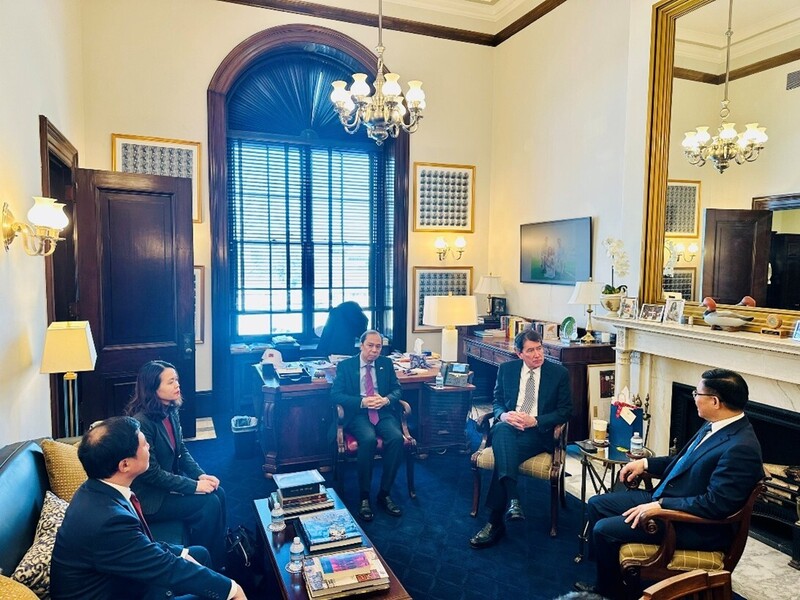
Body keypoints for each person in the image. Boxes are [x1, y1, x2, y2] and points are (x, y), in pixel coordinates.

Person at [574, 368, 764, 599]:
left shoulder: (741, 447)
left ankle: (613, 594)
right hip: (671, 500)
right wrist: (644, 464)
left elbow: (716, 505)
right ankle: (608, 580)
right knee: (596, 504)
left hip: (696, 526)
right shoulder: (717, 424)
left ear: (715, 401)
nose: (694, 397)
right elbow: (683, 462)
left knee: (604, 530)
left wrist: (662, 506)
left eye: (698, 393)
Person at [50, 416, 247, 600]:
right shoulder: (108, 522)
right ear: (125, 465)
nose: (149, 447)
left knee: (199, 554)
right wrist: (232, 588)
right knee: (216, 591)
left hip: (117, 578)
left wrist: (183, 554)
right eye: (144, 444)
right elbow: (164, 567)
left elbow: (142, 546)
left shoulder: (96, 489)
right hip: (117, 592)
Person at [469, 328, 572, 548]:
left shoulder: (559, 373)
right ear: (519, 353)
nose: (538, 354)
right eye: (531, 350)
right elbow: (496, 401)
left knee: (504, 454)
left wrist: (535, 420)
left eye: (540, 348)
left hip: (538, 433)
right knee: (503, 431)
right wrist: (504, 415)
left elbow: (565, 412)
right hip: (508, 427)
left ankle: (495, 523)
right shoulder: (507, 370)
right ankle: (513, 500)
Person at [125, 360, 227, 569]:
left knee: (219, 492)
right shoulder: (142, 422)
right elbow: (151, 473)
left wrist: (200, 476)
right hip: (151, 498)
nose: (177, 385)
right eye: (171, 382)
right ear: (153, 388)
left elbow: (181, 450)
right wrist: (193, 486)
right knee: (209, 504)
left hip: (167, 487)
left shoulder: (170, 410)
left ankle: (220, 555)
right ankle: (206, 567)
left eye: (177, 380)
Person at [331, 329, 404, 521]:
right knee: (368, 439)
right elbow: (335, 395)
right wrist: (361, 402)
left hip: (382, 411)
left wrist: (386, 400)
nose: (374, 350)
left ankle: (384, 493)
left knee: (397, 438)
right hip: (358, 413)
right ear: (361, 345)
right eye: (370, 345)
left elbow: (398, 390)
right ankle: (364, 497)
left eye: (378, 346)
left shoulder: (386, 363)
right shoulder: (346, 366)